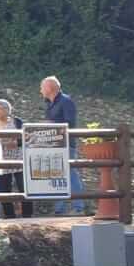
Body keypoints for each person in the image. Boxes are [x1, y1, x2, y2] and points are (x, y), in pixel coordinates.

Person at [41, 76, 82, 213]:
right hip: (54, 144)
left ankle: (78, 208)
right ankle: (60, 209)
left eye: (42, 87)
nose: (41, 90)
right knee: (57, 175)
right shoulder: (49, 103)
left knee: (70, 174)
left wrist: (50, 123)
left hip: (66, 144)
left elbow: (70, 122)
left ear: (49, 88)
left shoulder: (66, 101)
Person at [0, 99, 31, 218]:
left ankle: (27, 214)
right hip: (2, 160)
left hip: (19, 159)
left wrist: (16, 143)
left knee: (24, 187)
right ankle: (9, 215)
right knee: (4, 190)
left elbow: (27, 137)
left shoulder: (17, 122)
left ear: (7, 109)